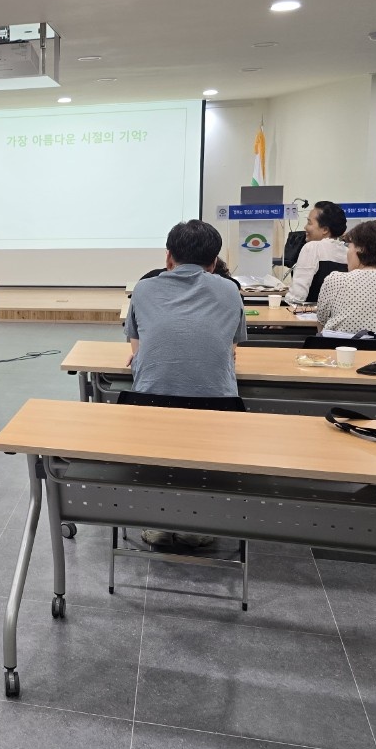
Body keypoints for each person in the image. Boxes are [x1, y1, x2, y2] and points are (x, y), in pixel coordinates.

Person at [126, 221, 247, 549]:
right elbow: (232, 348)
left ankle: (158, 522)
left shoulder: (143, 289)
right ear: (213, 263)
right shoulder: (230, 290)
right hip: (218, 408)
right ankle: (198, 523)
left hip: (150, 405)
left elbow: (136, 347)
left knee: (158, 449)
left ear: (169, 257)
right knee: (204, 452)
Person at [317, 219, 376, 349]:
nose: (347, 252)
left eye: (349, 246)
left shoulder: (336, 280)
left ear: (361, 248)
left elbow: (321, 322)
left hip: (343, 356)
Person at [286, 201, 348, 303]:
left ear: (325, 229)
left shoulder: (313, 247)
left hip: (311, 312)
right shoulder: (347, 251)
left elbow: (297, 296)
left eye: (309, 223)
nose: (305, 227)